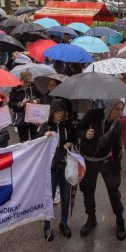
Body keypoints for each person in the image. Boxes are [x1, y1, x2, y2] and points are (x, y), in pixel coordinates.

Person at [76, 99, 126, 240]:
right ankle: (91, 219)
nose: (120, 113)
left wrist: (117, 171)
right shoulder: (92, 114)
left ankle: (120, 220)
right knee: (87, 190)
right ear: (109, 108)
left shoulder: (118, 125)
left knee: (113, 189)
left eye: (121, 109)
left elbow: (117, 149)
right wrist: (85, 134)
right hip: (88, 160)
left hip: (105, 160)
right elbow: (78, 129)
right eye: (117, 109)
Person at [39, 99, 78, 241]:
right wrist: (44, 136)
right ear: (52, 113)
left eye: (62, 111)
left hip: (65, 165)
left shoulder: (68, 124)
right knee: (48, 196)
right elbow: (38, 142)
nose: (60, 114)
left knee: (65, 196)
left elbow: (75, 138)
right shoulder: (46, 126)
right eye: (57, 111)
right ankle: (47, 225)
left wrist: (71, 142)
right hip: (51, 167)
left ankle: (63, 223)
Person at [9, 71, 41, 142]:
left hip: (33, 116)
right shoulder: (15, 88)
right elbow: (10, 103)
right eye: (26, 82)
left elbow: (42, 97)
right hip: (21, 117)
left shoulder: (33, 87)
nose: (27, 84)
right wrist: (20, 104)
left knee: (35, 139)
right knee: (23, 140)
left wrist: (37, 101)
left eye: (29, 82)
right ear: (21, 80)